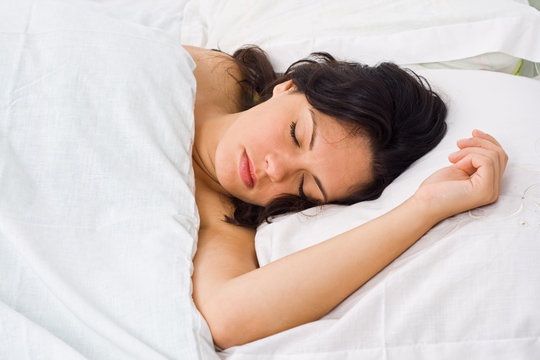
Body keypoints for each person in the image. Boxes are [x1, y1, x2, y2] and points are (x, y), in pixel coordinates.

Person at [184, 45, 508, 350]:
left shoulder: (220, 227)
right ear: (287, 87)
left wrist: (423, 208)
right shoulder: (211, 73)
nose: (276, 170)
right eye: (296, 135)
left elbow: (225, 318)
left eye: (305, 186)